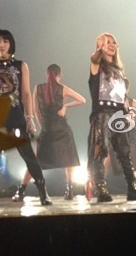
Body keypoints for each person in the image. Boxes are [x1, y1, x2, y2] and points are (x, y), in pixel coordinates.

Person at [0, 29, 52, 208]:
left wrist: (29, 118)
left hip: (15, 116)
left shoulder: (21, 65)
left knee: (28, 155)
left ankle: (43, 192)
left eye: (5, 41)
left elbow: (26, 94)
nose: (1, 44)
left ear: (10, 44)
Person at [87, 32, 136, 202]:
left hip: (119, 114)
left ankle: (133, 188)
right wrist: (100, 48)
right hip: (102, 114)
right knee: (100, 151)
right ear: (100, 45)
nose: (111, 45)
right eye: (107, 42)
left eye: (114, 42)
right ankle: (101, 189)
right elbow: (94, 59)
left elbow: (122, 97)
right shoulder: (97, 65)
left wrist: (129, 113)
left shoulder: (119, 71)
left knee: (124, 152)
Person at [12, 64, 85, 201]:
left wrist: (42, 126)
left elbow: (36, 110)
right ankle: (69, 190)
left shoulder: (38, 88)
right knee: (69, 160)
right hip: (63, 128)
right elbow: (82, 100)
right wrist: (65, 106)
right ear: (59, 75)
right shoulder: (63, 88)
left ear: (47, 74)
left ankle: (21, 190)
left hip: (47, 129)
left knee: (36, 161)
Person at [104, 97, 136, 193]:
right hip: (116, 132)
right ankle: (99, 184)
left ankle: (134, 187)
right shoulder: (112, 101)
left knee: (134, 160)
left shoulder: (131, 101)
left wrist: (134, 115)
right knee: (109, 158)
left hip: (131, 134)